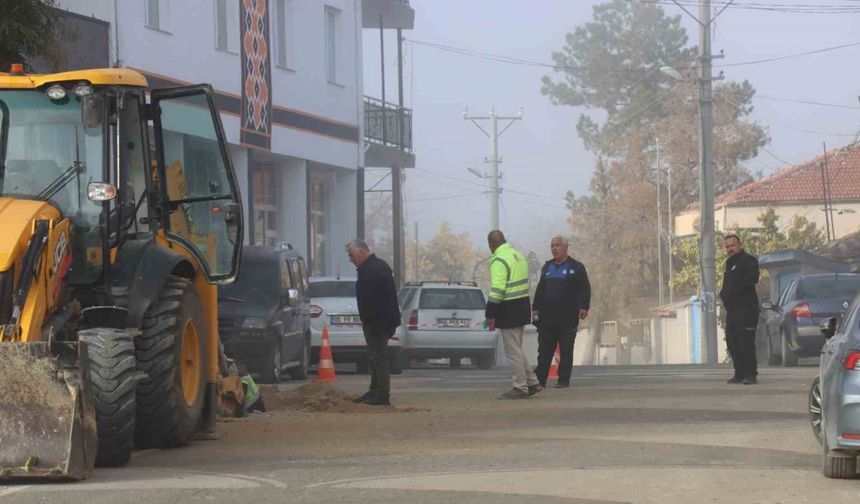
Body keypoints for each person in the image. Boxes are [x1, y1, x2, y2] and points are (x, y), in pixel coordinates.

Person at [485, 230, 541, 399]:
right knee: (517, 348)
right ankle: (532, 382)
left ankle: (520, 387)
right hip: (522, 305)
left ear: (491, 245)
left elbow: (497, 290)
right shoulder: (518, 256)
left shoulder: (499, 260)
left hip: (508, 309)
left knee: (513, 352)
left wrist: (490, 313)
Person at [347, 239, 401, 405]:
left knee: (379, 358)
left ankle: (382, 395)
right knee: (374, 357)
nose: (351, 259)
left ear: (362, 252)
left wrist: (374, 322)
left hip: (378, 322)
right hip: (376, 321)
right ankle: (374, 391)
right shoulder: (372, 267)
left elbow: (376, 300)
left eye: (352, 255)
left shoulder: (374, 269)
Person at [532, 236, 591, 389]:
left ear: (565, 247)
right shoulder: (547, 268)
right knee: (544, 349)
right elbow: (540, 291)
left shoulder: (576, 267)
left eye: (557, 245)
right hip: (547, 317)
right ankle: (540, 379)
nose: (554, 248)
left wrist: (584, 306)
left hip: (568, 316)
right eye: (552, 246)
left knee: (566, 348)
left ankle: (563, 379)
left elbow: (585, 288)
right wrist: (535, 310)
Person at [719, 234, 760, 385]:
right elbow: (726, 285)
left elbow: (752, 279)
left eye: (733, 245)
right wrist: (723, 296)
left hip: (747, 310)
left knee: (746, 342)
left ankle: (750, 374)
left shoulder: (749, 261)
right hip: (733, 311)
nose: (730, 249)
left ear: (740, 245)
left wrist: (735, 290)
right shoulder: (729, 263)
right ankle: (739, 373)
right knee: (732, 341)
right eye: (727, 246)